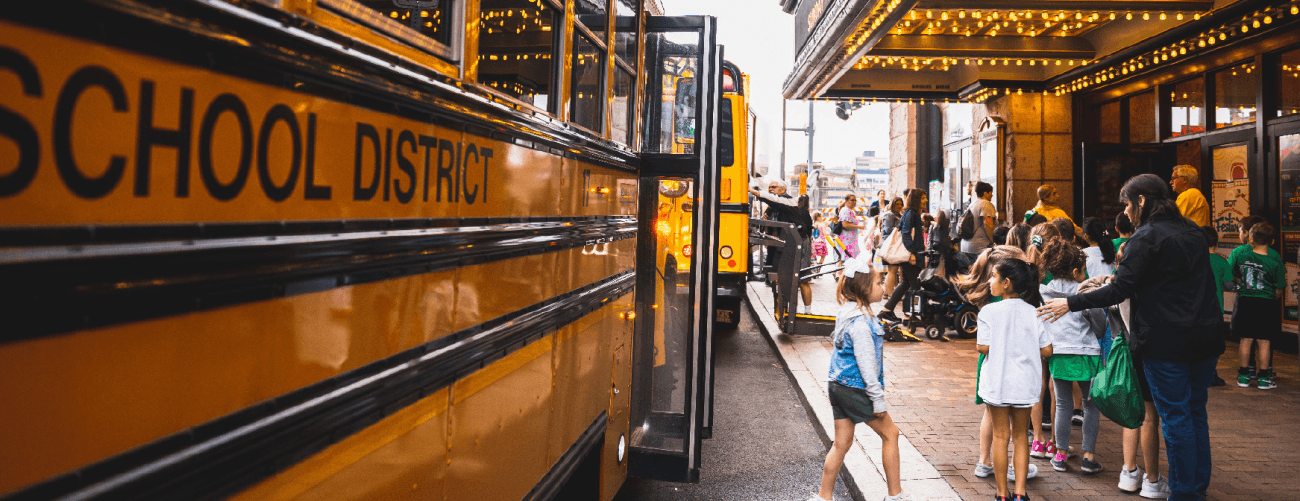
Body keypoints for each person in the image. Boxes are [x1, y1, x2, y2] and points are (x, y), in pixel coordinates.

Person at [1038, 174, 1224, 501]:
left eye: (1127, 203)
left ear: (1141, 201)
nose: (1125, 211)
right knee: (1195, 412)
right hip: (1205, 337)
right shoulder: (1193, 232)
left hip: (1166, 341)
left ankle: (1185, 494)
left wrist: (1070, 302)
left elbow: (1119, 290)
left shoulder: (1145, 237)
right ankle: (1196, 487)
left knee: (1176, 417)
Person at [810, 259, 911, 501]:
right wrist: (877, 399)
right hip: (856, 389)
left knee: (841, 443)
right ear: (865, 289)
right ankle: (895, 496)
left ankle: (824, 497)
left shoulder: (847, 312)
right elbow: (867, 366)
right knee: (891, 433)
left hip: (837, 385)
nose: (882, 287)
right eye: (878, 283)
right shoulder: (863, 324)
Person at [954, 246, 1039, 483]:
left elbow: (983, 345)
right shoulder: (1012, 298)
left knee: (990, 413)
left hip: (992, 364)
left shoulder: (989, 294)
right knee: (1017, 432)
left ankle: (984, 461)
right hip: (1013, 362)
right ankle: (1014, 468)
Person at [978, 258, 1054, 501]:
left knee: (1001, 436)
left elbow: (983, 347)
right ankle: (1020, 493)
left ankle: (1002, 494)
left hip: (997, 382)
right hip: (1024, 383)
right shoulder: (1035, 312)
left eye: (993, 276)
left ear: (1006, 283)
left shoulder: (988, 312)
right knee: (1021, 436)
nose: (990, 281)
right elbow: (1047, 350)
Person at [1037, 240, 1106, 474]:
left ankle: (1061, 455)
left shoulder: (1043, 292)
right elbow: (1100, 325)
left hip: (1058, 353)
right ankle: (1088, 456)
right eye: (1084, 270)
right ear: (1075, 271)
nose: (1085, 274)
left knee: (1063, 404)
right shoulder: (1084, 291)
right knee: (1090, 404)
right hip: (1087, 352)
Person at [1229, 220, 1284, 390]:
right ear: (1272, 241)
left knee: (1245, 340)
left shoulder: (1241, 255)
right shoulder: (1274, 261)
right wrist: (1273, 298)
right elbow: (1279, 288)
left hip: (1245, 301)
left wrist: (1243, 284)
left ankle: (1243, 376)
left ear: (1250, 238)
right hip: (1265, 303)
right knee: (1264, 341)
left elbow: (1233, 274)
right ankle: (1264, 378)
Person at [878, 190, 928, 323]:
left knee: (905, 283)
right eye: (923, 198)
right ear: (916, 199)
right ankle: (909, 316)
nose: (926, 200)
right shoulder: (911, 213)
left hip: (912, 253)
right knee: (914, 286)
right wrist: (912, 253)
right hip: (911, 255)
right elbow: (906, 234)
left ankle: (887, 310)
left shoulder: (910, 213)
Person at [961, 181, 998, 257]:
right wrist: (994, 241)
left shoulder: (972, 204)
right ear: (985, 193)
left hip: (966, 247)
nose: (992, 195)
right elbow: (987, 224)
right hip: (979, 247)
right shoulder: (986, 204)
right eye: (991, 192)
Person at [838, 194, 864, 260]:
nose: (854, 202)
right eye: (852, 200)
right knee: (845, 261)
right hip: (846, 241)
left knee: (849, 261)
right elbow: (845, 225)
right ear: (846, 201)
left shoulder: (850, 211)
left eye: (855, 200)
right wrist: (859, 227)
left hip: (851, 240)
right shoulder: (846, 210)